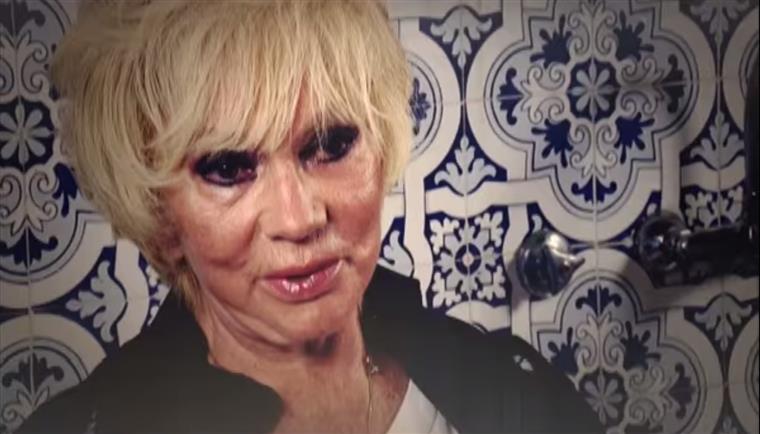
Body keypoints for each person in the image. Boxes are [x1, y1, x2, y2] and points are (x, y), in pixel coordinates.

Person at [18, 1, 602, 433]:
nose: (298, 219)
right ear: (160, 216)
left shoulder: (508, 386)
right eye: (228, 167)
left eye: (330, 144)